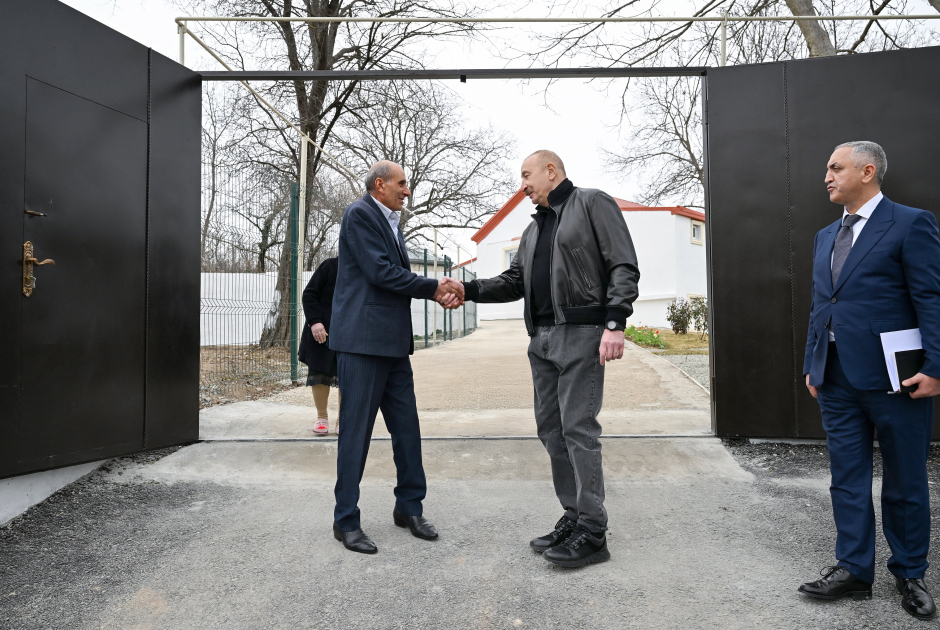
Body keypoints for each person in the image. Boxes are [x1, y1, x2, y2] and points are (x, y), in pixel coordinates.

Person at [455, 150, 640, 568]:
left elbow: (622, 263)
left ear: (551, 171)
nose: (522, 185)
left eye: (527, 175)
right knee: (551, 430)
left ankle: (593, 531)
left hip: (581, 332)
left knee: (578, 429)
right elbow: (514, 281)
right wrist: (468, 290)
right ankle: (574, 517)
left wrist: (615, 321)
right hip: (540, 339)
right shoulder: (533, 228)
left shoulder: (591, 203)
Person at [799, 141, 940, 620]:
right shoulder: (826, 235)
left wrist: (936, 367)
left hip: (897, 377)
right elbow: (821, 305)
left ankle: (910, 573)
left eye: (835, 167)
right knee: (847, 479)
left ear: (867, 171)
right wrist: (812, 362)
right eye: (827, 167)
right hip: (835, 378)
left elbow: (931, 297)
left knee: (905, 480)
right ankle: (854, 570)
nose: (827, 175)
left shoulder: (910, 223)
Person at [329, 160, 463, 554]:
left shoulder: (391, 222)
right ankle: (345, 520)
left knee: (407, 430)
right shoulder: (360, 214)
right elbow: (380, 272)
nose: (407, 190)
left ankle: (409, 507)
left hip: (392, 345)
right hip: (362, 344)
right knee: (355, 434)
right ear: (380, 184)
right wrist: (434, 287)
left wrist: (433, 289)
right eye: (401, 184)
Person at [299, 256, 340, 435]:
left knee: (349, 376)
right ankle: (321, 417)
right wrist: (315, 321)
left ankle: (343, 419)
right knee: (319, 373)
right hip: (322, 329)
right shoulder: (330, 265)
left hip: (351, 331)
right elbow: (309, 294)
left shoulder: (365, 268)